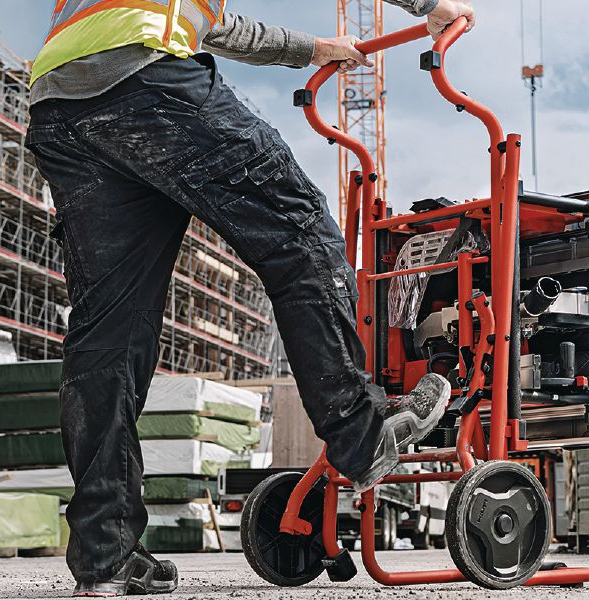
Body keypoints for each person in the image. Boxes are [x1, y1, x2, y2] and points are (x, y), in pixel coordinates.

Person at [25, 0, 475, 596]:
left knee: (108, 331)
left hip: (60, 107)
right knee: (299, 233)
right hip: (148, 81)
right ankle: (361, 435)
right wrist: (428, 6)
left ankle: (104, 556)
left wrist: (307, 50)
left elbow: (217, 27)